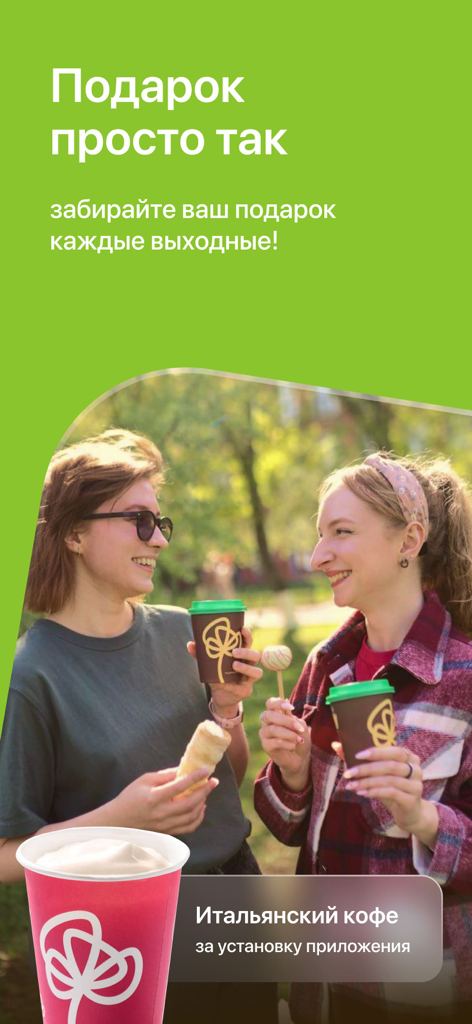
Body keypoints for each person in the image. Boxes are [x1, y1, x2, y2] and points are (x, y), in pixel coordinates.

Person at [0, 428, 277, 1024]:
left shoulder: (184, 633)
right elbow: (5, 856)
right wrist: (123, 818)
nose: (158, 539)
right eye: (138, 521)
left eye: (161, 522)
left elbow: (227, 778)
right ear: (73, 533)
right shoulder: (29, 675)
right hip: (129, 934)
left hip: (236, 900)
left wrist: (227, 710)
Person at [255, 452, 472, 1024]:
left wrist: (424, 819)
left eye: (342, 532)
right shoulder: (325, 666)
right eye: (319, 534)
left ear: (410, 540)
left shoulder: (464, 680)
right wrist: (294, 771)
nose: (319, 554)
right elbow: (285, 827)